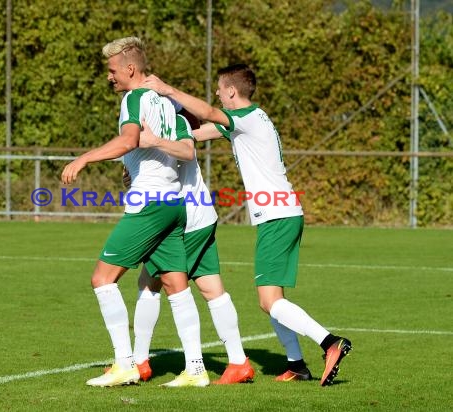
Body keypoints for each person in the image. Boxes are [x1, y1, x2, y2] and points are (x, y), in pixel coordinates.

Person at [141, 64, 352, 386]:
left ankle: (329, 342)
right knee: (270, 301)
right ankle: (297, 364)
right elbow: (197, 134)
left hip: (278, 217)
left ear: (230, 91)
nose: (215, 93)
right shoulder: (245, 122)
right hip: (280, 215)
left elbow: (210, 113)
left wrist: (168, 90)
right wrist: (157, 137)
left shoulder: (247, 118)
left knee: (270, 301)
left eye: (219, 88)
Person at [61, 36, 208, 387]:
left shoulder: (134, 97)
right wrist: (135, 163)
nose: (109, 77)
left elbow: (130, 140)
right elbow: (174, 149)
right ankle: (196, 369)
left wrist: (83, 158)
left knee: (102, 279)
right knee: (176, 284)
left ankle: (124, 363)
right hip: (174, 203)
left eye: (112, 71)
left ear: (130, 68)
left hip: (150, 204)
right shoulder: (165, 101)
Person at [129, 112, 255, 385]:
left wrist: (151, 142)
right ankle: (238, 361)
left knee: (150, 284)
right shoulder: (169, 126)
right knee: (212, 289)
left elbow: (183, 152)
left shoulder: (173, 125)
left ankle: (141, 362)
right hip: (202, 217)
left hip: (181, 221)